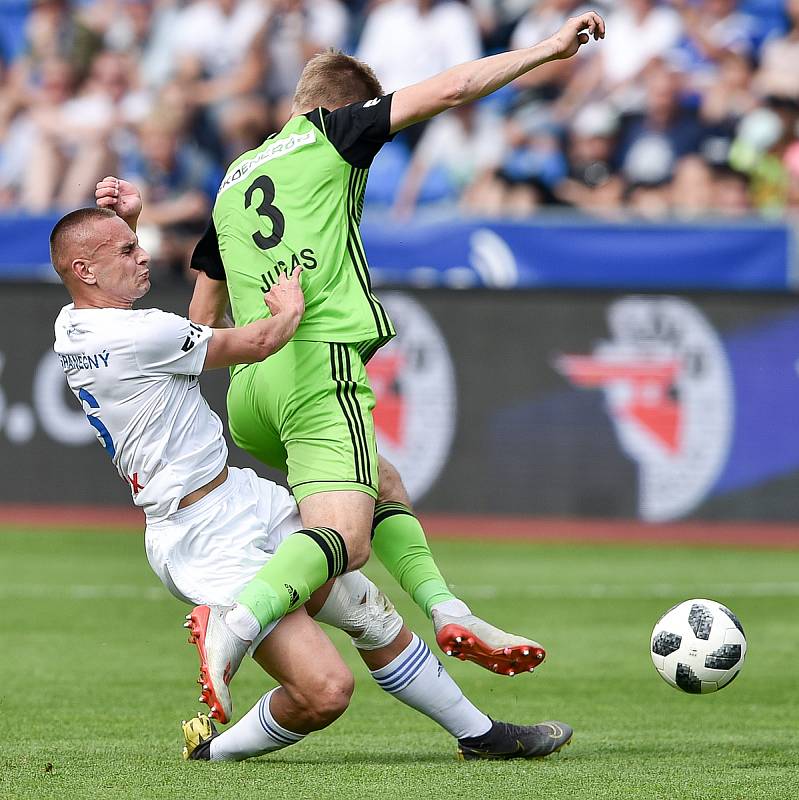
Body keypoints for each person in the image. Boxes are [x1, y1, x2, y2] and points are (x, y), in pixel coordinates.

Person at [181, 11, 606, 722]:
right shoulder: (332, 131)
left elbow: (200, 318)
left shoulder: (234, 176)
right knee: (345, 539)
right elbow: (453, 87)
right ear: (343, 109)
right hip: (317, 363)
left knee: (381, 482)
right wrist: (549, 49)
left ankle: (447, 609)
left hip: (250, 389)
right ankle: (237, 620)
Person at [50, 206, 572, 762]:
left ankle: (481, 735)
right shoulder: (141, 333)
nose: (144, 255)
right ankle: (221, 713)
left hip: (236, 495)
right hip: (201, 534)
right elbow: (255, 342)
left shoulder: (72, 327)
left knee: (369, 605)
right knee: (325, 692)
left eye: (138, 244)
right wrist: (290, 309)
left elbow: (178, 327)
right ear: (84, 270)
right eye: (128, 250)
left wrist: (122, 223)